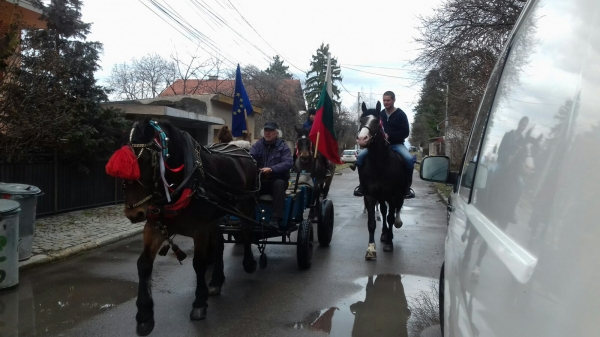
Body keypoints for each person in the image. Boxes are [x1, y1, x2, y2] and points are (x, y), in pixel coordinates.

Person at [351, 91, 415, 199]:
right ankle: (362, 186)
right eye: (384, 100)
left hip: (396, 145)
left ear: (394, 100)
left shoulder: (401, 114)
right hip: (379, 146)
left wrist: (389, 135)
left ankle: (407, 188)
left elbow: (405, 132)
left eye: (388, 100)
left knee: (409, 160)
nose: (386, 102)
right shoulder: (379, 115)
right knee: (360, 158)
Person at [249, 121, 294, 230]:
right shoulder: (258, 145)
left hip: (276, 180)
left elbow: (288, 163)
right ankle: (249, 217)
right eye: (266, 131)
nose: (267, 133)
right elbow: (249, 157)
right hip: (260, 180)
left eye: (270, 131)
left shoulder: (283, 147)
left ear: (277, 133)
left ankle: (276, 219)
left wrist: (272, 169)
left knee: (279, 185)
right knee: (247, 187)